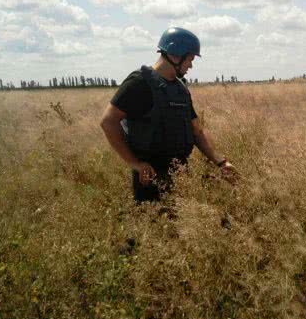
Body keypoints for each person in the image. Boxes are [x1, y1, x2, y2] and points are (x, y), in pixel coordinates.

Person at [100, 27, 236, 202]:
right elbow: (108, 122)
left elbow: (196, 131)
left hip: (181, 175)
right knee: (157, 227)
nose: (191, 66)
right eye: (190, 59)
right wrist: (135, 163)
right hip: (150, 177)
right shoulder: (139, 83)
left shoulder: (180, 89)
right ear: (176, 55)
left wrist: (220, 162)